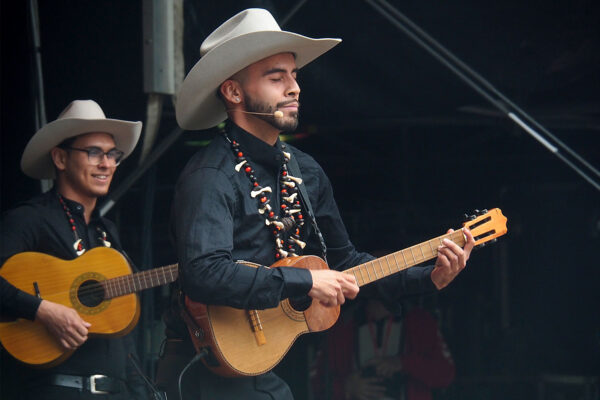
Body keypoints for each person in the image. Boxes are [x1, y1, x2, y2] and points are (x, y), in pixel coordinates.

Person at [155, 8, 474, 400]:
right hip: (203, 373)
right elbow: (203, 273)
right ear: (233, 92)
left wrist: (427, 278)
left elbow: (345, 264)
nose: (294, 88)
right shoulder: (210, 175)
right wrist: (305, 280)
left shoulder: (305, 171)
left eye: (294, 75)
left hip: (262, 370)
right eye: (276, 77)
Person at [0, 99, 149, 399]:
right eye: (93, 152)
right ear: (60, 158)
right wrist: (41, 310)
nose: (106, 164)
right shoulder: (30, 219)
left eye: (112, 154)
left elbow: (122, 335)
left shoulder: (107, 232)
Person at [311, 297, 455, 400]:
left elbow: (446, 374)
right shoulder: (342, 325)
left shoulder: (420, 321)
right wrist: (346, 387)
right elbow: (314, 382)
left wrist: (403, 363)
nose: (384, 282)